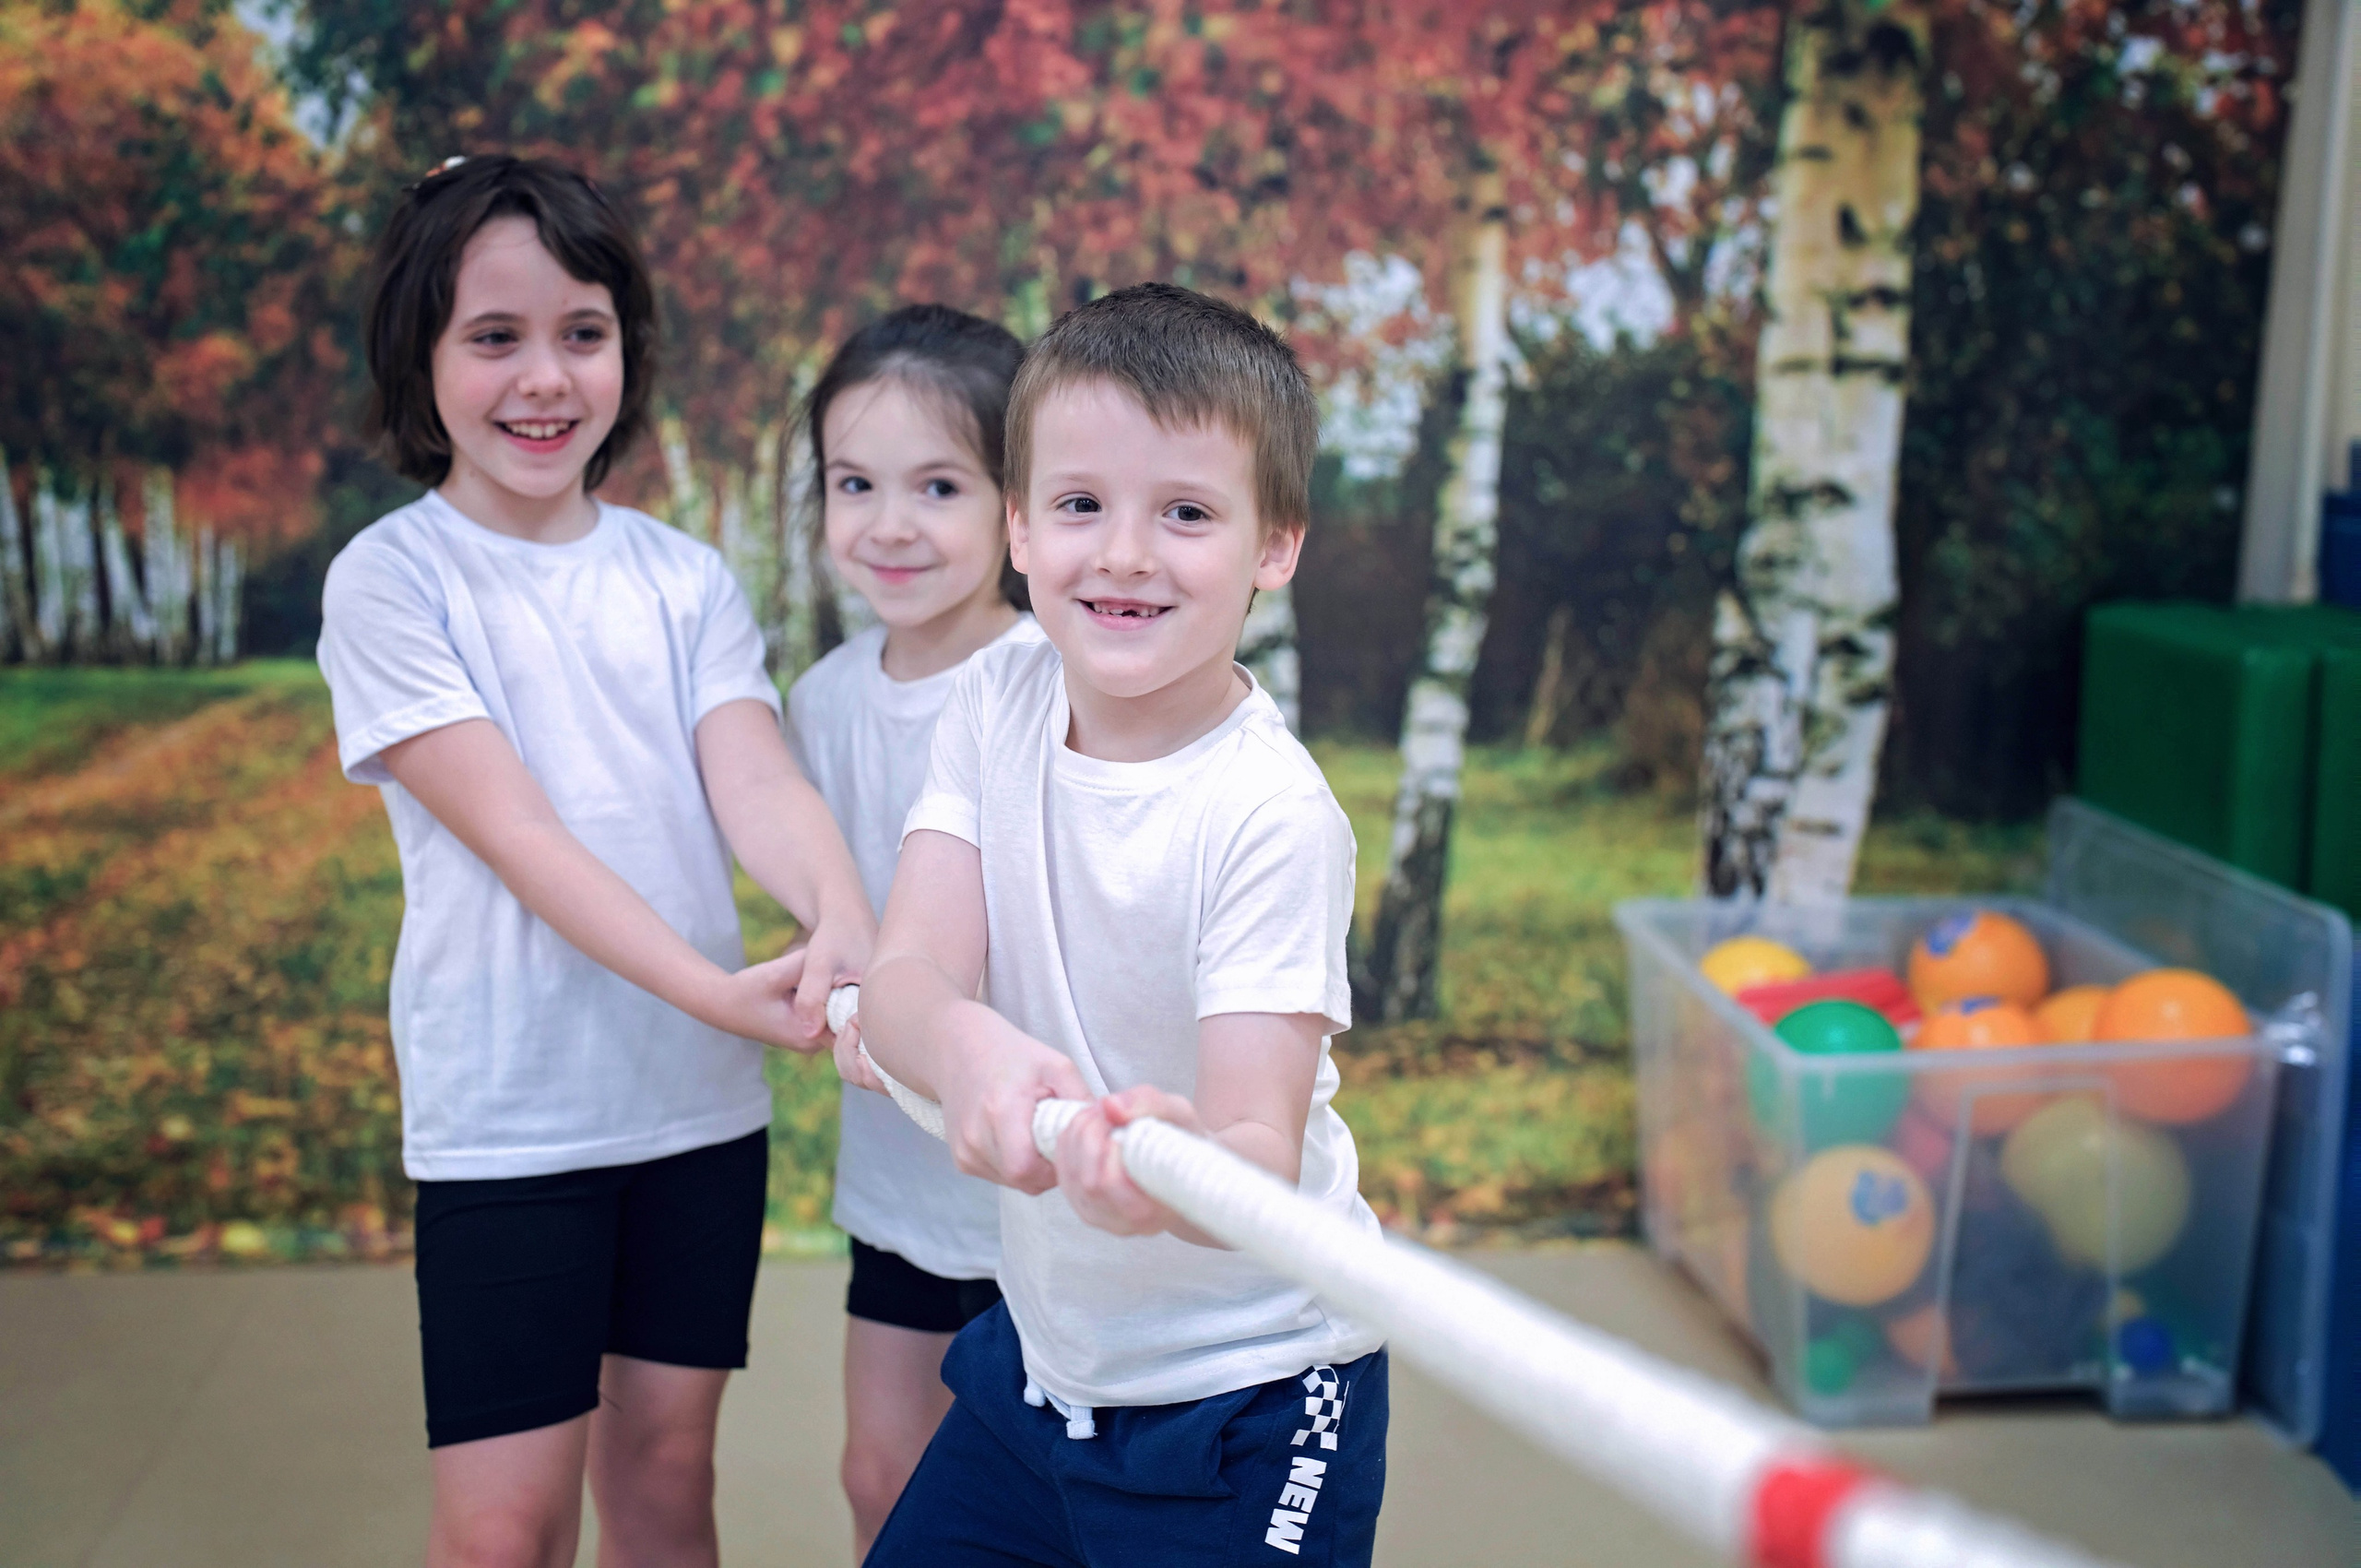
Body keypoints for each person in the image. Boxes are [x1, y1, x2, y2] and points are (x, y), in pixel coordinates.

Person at [317, 154, 872, 1568]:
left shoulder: (680, 576)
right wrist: (715, 989)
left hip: (695, 1124)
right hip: (511, 1122)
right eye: (493, 338)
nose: (544, 380)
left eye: (583, 333)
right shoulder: (394, 579)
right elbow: (518, 835)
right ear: (420, 356)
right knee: (504, 1534)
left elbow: (753, 774)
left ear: (628, 345)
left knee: (669, 1479)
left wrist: (845, 911)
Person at [854, 282, 1388, 1565]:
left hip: (1256, 1397)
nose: (1126, 555)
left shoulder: (1270, 815)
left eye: (1188, 514)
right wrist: (963, 1044)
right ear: (1022, 527)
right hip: (1044, 1376)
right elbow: (906, 978)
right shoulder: (996, 699)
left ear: (1276, 546)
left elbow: (1256, 1157)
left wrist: (1173, 1168)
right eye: (1082, 506)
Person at [782, 303, 1046, 1557]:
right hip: (897, 1184)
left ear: (1016, 506)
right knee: (881, 1475)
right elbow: (829, 913)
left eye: (938, 485)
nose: (889, 524)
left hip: (1039, 1187)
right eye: (855, 483)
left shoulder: (1052, 682)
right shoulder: (821, 704)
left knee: (1040, 1505)